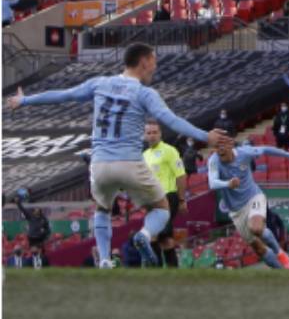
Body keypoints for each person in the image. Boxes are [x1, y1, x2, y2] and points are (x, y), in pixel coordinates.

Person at [5, 43, 229, 268]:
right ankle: (144, 235)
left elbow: (65, 95)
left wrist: (25, 100)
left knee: (102, 210)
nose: (155, 66)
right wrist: (204, 136)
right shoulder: (144, 93)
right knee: (161, 209)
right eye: (153, 61)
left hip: (100, 164)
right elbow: (171, 120)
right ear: (143, 62)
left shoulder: (100, 84)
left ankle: (103, 259)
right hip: (129, 162)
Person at [210, 138, 289, 269]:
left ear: (231, 145)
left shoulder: (245, 153)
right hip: (236, 211)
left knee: (256, 228)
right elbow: (212, 182)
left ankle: (280, 253)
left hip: (253, 197)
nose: (219, 149)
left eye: (222, 145)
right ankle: (283, 272)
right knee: (259, 249)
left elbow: (266, 149)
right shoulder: (214, 160)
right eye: (216, 147)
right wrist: (228, 183)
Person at [142, 120, 187, 267]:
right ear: (145, 135)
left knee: (153, 236)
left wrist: (181, 200)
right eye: (149, 133)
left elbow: (180, 175)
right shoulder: (144, 155)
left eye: (155, 132)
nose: (152, 135)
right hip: (152, 201)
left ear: (160, 134)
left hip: (168, 197)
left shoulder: (169, 150)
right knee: (165, 239)